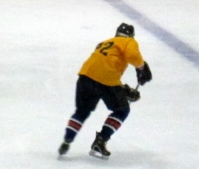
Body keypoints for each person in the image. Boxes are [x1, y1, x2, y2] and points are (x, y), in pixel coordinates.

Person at [58, 23, 152, 159]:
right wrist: (142, 67)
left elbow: (103, 66)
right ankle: (101, 140)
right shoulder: (129, 41)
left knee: (82, 111)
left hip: (85, 75)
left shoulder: (106, 42)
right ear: (131, 35)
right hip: (106, 80)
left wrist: (121, 89)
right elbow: (130, 56)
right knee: (122, 110)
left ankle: (67, 140)